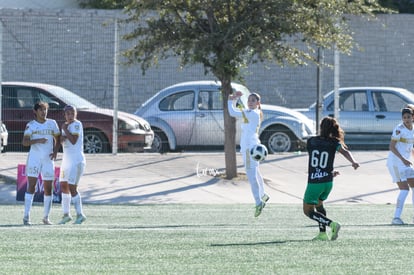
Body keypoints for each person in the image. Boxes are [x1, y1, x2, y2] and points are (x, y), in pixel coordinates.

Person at [303, 117, 359, 241]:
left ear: (321, 127)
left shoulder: (311, 141)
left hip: (315, 182)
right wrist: (353, 162)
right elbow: (345, 152)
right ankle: (322, 234)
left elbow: (316, 159)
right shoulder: (334, 142)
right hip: (328, 182)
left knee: (308, 211)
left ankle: (332, 224)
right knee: (319, 205)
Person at [228, 91, 269, 217]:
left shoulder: (252, 113)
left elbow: (233, 112)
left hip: (250, 149)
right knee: (256, 173)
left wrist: (230, 100)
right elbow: (242, 110)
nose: (250, 102)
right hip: (252, 146)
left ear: (258, 103)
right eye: (249, 100)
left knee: (251, 177)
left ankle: (258, 202)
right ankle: (263, 195)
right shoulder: (252, 112)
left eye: (253, 100)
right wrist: (236, 99)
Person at [22, 101, 60, 225]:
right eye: (41, 110)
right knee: (31, 186)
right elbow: (25, 142)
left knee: (48, 187)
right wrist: (37, 140)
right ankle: (26, 216)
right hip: (34, 159)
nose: (44, 112)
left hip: (48, 159)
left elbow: (58, 138)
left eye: (45, 110)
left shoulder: (52, 123)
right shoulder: (31, 125)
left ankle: (46, 217)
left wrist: (55, 151)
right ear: (35, 111)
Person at [58, 105, 87, 225]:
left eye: (72, 113)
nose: (70, 116)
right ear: (64, 115)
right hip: (66, 161)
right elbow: (62, 140)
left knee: (72, 187)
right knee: (63, 185)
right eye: (68, 114)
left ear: (76, 114)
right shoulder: (65, 126)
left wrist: (65, 130)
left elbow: (74, 140)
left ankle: (80, 214)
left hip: (76, 161)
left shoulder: (76, 124)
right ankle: (66, 214)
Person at [387, 107, 414, 225]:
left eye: (409, 117)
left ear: (413, 117)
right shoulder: (399, 129)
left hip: (405, 163)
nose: (407, 119)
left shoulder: (413, 129)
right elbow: (391, 147)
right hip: (396, 163)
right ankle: (396, 218)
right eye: (404, 118)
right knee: (404, 189)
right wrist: (403, 159)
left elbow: (411, 147)